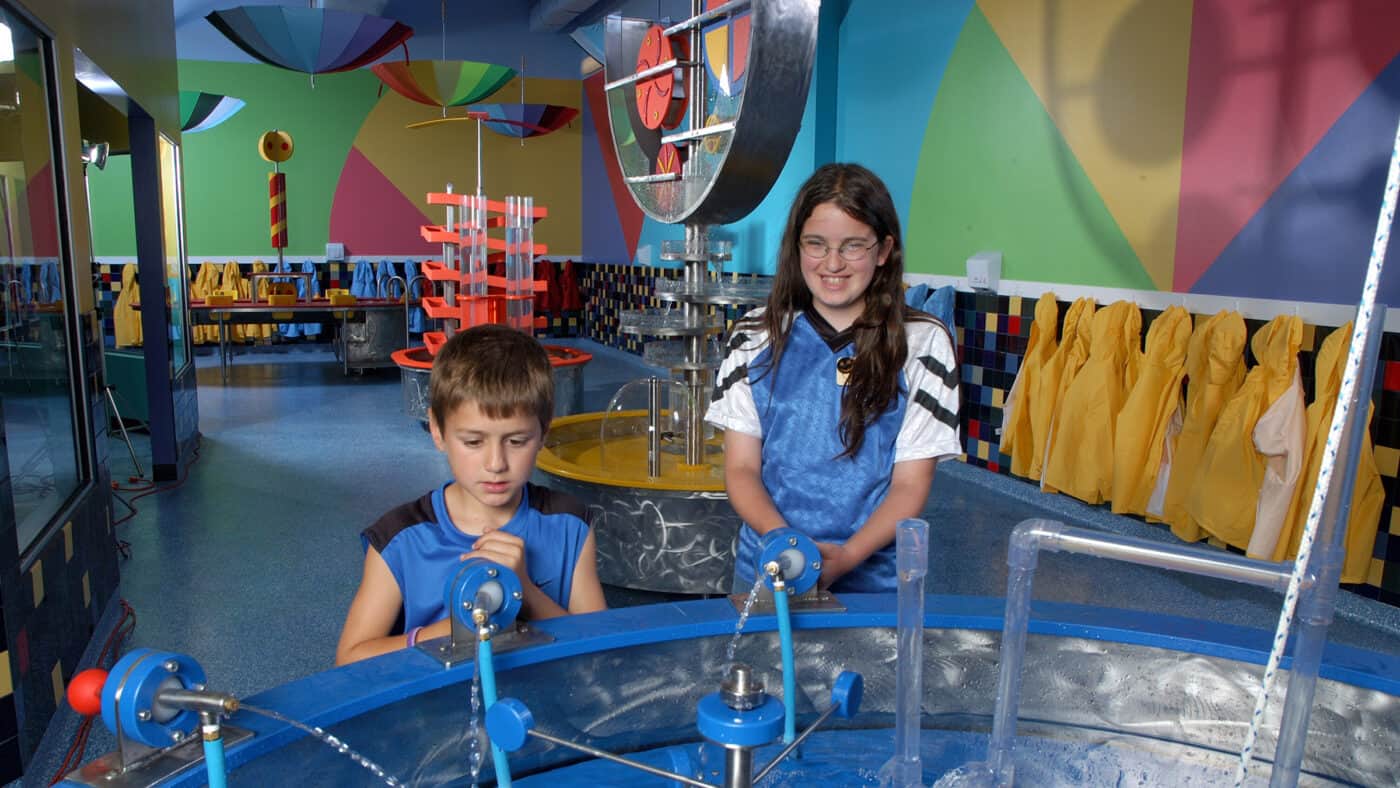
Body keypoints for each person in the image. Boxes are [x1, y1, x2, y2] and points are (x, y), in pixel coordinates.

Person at [705, 163, 961, 593]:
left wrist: (847, 558)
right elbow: (741, 467)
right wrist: (788, 548)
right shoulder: (753, 336)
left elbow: (910, 485)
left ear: (883, 251)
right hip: (767, 568)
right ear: (797, 246)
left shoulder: (923, 344)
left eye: (853, 246)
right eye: (816, 244)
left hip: (872, 582)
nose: (833, 263)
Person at [336, 325, 606, 665]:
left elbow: (601, 649)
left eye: (517, 441)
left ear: (544, 431)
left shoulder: (570, 524)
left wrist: (525, 590)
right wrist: (452, 631)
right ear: (437, 430)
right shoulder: (399, 540)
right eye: (474, 442)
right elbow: (349, 660)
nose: (496, 464)